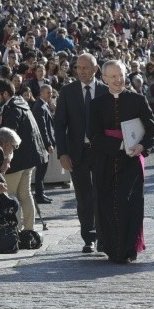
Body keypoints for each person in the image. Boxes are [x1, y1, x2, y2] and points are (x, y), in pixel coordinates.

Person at [88, 60, 154, 264]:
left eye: (121, 75)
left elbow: (153, 130)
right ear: (104, 79)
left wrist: (142, 146)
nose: (118, 80)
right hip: (106, 160)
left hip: (131, 162)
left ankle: (128, 248)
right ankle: (112, 247)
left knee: (130, 205)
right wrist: (119, 145)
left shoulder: (137, 100)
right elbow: (93, 135)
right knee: (107, 204)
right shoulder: (96, 104)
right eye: (113, 76)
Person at [54, 53, 108, 253]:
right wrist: (62, 153)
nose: (81, 71)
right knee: (84, 197)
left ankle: (104, 236)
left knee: (102, 194)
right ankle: (89, 236)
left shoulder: (105, 90)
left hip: (102, 152)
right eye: (78, 67)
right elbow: (60, 125)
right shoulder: (68, 92)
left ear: (96, 69)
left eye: (86, 68)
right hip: (78, 153)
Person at [0, 79, 48, 234]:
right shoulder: (20, 103)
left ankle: (16, 229)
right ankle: (28, 230)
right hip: (29, 158)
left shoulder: (13, 107)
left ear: (6, 93)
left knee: (10, 195)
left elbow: (8, 136)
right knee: (25, 194)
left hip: (17, 159)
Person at [31, 84, 56, 204]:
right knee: (41, 171)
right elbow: (43, 129)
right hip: (41, 145)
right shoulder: (39, 107)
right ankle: (39, 195)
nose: (50, 95)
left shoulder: (44, 105)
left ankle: (41, 193)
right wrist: (48, 144)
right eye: (48, 93)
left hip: (44, 144)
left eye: (51, 92)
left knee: (43, 170)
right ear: (41, 93)